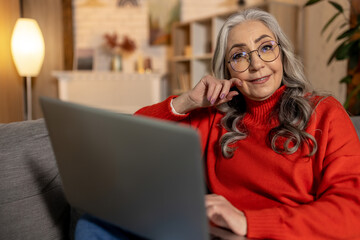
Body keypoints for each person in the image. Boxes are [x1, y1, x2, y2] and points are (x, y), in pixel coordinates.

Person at [75, 8, 360, 239]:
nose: (257, 64)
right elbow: (132, 137)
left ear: (282, 54)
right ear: (226, 71)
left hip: (279, 233)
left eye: (266, 48)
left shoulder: (324, 114)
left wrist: (248, 222)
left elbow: (352, 213)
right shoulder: (216, 118)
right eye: (239, 55)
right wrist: (187, 101)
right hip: (211, 233)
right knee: (93, 225)